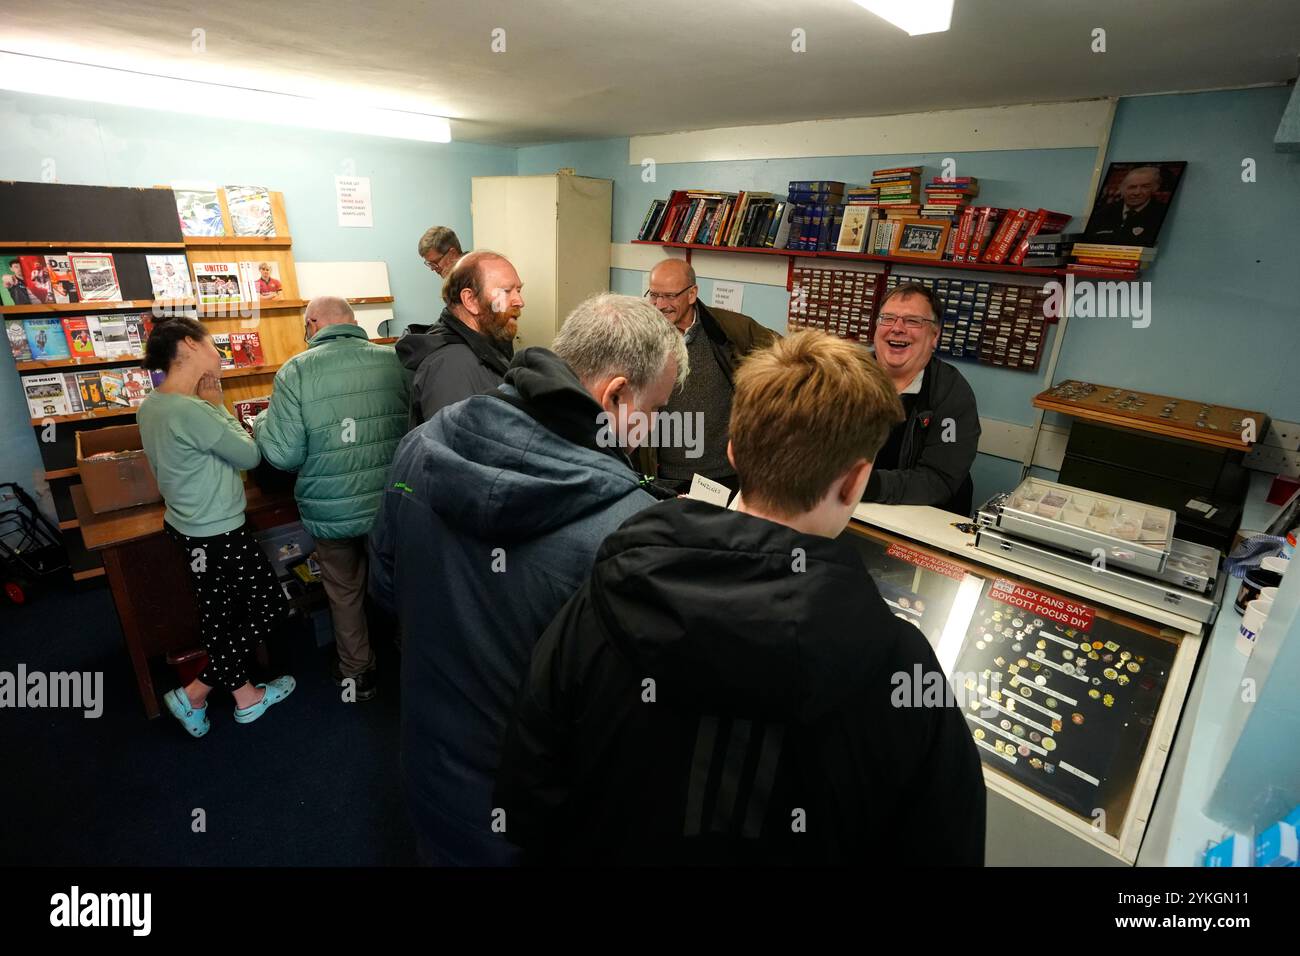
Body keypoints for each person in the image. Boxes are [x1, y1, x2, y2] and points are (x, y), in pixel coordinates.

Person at [495, 330, 987, 865]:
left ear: (732, 449)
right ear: (856, 481)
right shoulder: (901, 665)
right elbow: (944, 842)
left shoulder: (609, 592)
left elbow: (530, 788)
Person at [370, 292, 687, 866]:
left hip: (430, 764)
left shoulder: (420, 446)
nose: (656, 427)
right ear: (615, 396)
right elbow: (626, 719)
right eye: (657, 410)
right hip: (535, 813)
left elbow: (387, 590)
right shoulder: (625, 530)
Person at [136, 317, 295, 736]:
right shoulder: (193, 410)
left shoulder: (151, 404)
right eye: (211, 344)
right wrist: (219, 405)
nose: (218, 353)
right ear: (189, 344)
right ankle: (195, 692)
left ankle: (245, 698)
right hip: (220, 530)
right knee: (270, 607)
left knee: (219, 617)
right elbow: (249, 456)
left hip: (186, 528)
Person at [252, 297, 408, 701]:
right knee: (398, 582)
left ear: (313, 323)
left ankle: (358, 674)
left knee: (344, 591)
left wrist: (261, 422)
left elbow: (283, 455)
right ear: (352, 322)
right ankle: (412, 655)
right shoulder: (393, 360)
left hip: (332, 509)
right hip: (389, 505)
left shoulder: (296, 371)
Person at [637, 258, 777, 493]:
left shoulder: (730, 329)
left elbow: (789, 359)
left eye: (670, 296)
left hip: (724, 476)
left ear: (692, 294)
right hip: (662, 476)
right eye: (654, 295)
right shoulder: (639, 334)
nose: (659, 305)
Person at [865, 282, 980, 515]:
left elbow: (939, 479)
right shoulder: (843, 377)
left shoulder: (952, 393)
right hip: (852, 509)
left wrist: (864, 486)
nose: (897, 328)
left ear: (934, 336)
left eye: (912, 321)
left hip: (921, 519)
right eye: (887, 318)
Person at [396, 250, 523, 428]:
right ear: (470, 300)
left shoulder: (488, 349)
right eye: (506, 291)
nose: (519, 301)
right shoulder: (449, 367)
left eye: (518, 290)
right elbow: (457, 449)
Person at [1084, 165, 1171, 246]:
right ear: (1121, 188)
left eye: (1145, 186)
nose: (1137, 192)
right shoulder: (1101, 214)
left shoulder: (1162, 213)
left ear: (1155, 188)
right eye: (1132, 187)